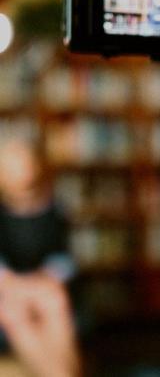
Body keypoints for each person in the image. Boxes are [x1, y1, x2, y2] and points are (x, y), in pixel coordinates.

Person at [0, 137, 81, 376]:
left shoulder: (54, 208)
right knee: (13, 312)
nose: (22, 171)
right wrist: (13, 283)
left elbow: (65, 257)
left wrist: (47, 276)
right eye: (12, 165)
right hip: (10, 286)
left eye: (25, 163)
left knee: (55, 303)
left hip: (45, 283)